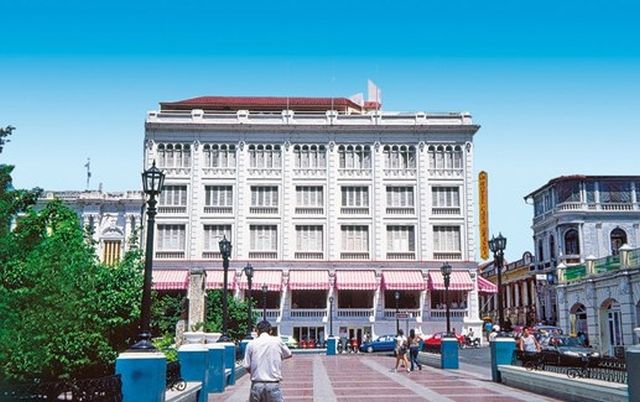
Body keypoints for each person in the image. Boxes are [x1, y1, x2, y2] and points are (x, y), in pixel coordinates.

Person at [243, 320, 292, 402]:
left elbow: (247, 366)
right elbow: (289, 354)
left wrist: (256, 372)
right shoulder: (277, 341)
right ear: (271, 331)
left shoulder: (251, 344)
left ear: (257, 331)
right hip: (273, 384)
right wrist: (277, 359)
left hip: (257, 384)